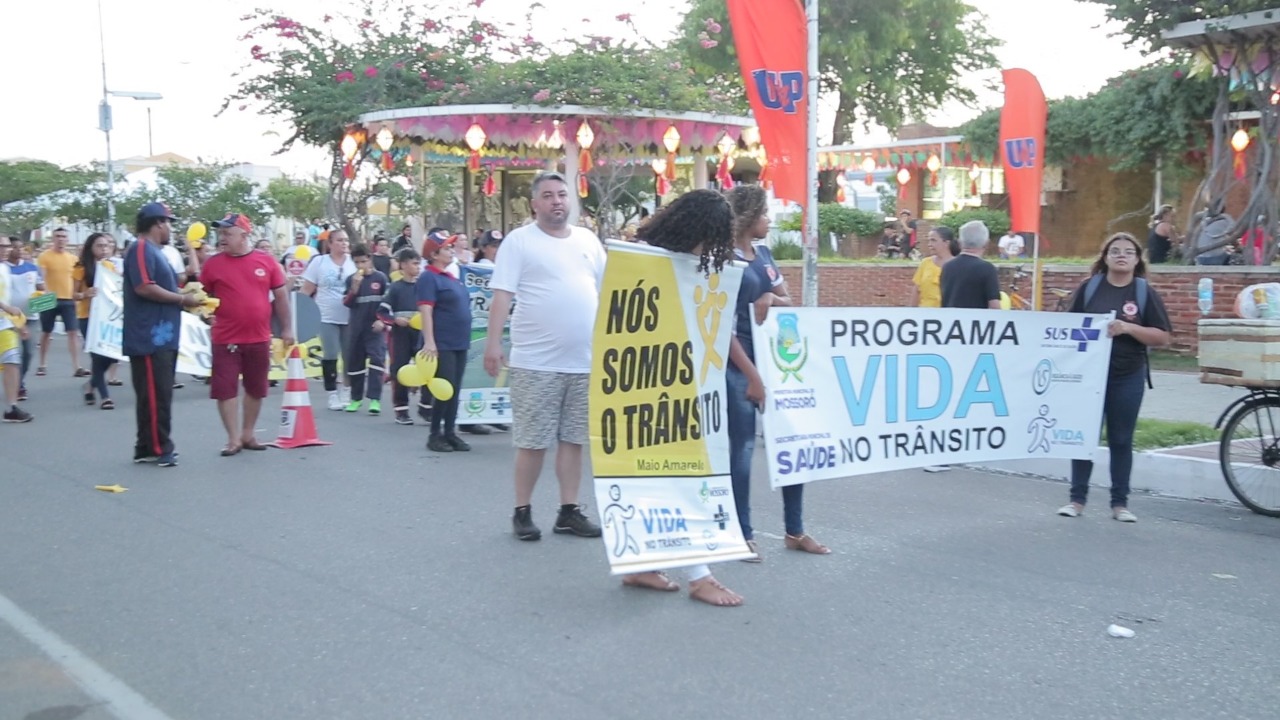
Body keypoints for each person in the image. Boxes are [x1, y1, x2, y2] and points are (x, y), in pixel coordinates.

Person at [629, 188, 748, 607]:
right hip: (650, 384)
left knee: (655, 474)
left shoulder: (692, 266)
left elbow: (715, 328)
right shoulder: (640, 262)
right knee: (679, 475)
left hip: (670, 383)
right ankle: (700, 575)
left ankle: (639, 563)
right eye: (712, 236)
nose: (714, 247)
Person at [485, 171, 604, 541]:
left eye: (563, 195)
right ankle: (522, 511)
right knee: (533, 440)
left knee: (573, 440)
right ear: (535, 203)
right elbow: (502, 295)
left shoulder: (587, 240)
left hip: (582, 361)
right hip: (536, 362)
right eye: (549, 196)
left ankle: (569, 511)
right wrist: (493, 345)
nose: (557, 202)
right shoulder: (520, 242)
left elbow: (606, 289)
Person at [725, 184, 830, 562]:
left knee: (793, 443)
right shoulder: (723, 259)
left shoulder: (764, 255)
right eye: (765, 213)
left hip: (776, 366)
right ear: (748, 216)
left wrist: (770, 297)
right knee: (742, 452)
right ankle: (742, 533)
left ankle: (795, 529)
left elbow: (788, 300)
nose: (769, 220)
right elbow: (722, 326)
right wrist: (752, 376)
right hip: (738, 367)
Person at [1059, 233, 1171, 522]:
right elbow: (1068, 327)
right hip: (1089, 377)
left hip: (1127, 376)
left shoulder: (1144, 292)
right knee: (1084, 437)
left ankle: (1120, 503)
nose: (1121, 255)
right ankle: (1077, 500)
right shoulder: (1090, 288)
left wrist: (1128, 328)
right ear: (1105, 257)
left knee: (1121, 439)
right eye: (1115, 251)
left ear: (1136, 259)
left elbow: (1162, 337)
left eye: (1128, 252)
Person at [199, 213, 292, 455]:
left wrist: (287, 329)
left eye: (228, 233)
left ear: (244, 235)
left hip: (259, 337)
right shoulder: (212, 264)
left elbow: (281, 298)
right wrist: (204, 312)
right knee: (226, 389)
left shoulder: (267, 261)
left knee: (256, 388)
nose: (222, 238)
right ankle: (233, 438)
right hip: (225, 338)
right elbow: (202, 297)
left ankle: (248, 433)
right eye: (221, 234)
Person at [123, 203, 204, 466]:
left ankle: (146, 445)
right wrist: (182, 300)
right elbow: (144, 287)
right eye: (168, 222)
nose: (170, 227)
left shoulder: (155, 252)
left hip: (160, 335)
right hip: (149, 336)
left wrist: (184, 292)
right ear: (158, 223)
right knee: (156, 394)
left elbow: (165, 285)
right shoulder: (141, 248)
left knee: (155, 394)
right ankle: (160, 447)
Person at [417, 235, 472, 451]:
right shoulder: (429, 278)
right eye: (446, 248)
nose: (451, 251)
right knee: (443, 389)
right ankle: (435, 434)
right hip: (443, 342)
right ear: (434, 255)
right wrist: (430, 341)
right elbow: (426, 310)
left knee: (455, 389)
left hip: (459, 341)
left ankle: (450, 431)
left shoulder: (451, 277)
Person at [301, 228, 357, 410]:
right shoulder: (319, 262)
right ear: (330, 243)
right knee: (331, 354)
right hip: (326, 315)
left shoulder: (354, 263)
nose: (344, 244)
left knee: (350, 356)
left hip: (350, 316)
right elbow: (307, 289)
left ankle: (347, 390)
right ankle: (332, 393)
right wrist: (300, 311)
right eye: (340, 240)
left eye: (346, 240)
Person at [72, 233, 119, 409]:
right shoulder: (81, 267)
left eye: (106, 245)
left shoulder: (110, 266)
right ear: (91, 248)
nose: (104, 249)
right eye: (99, 245)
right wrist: (85, 294)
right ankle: (105, 397)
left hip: (106, 317)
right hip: (87, 317)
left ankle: (90, 385)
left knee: (110, 356)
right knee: (97, 356)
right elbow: (73, 294)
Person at [342, 243, 389, 415]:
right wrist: (354, 289)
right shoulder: (350, 279)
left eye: (363, 261)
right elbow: (346, 303)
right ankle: (355, 399)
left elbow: (387, 303)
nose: (360, 266)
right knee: (355, 363)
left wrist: (382, 321)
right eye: (357, 263)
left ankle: (375, 399)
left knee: (377, 360)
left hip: (375, 328)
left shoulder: (380, 278)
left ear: (370, 259)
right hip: (356, 328)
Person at [379, 248, 423, 426]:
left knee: (427, 367)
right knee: (400, 370)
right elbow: (381, 312)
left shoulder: (424, 287)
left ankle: (426, 406)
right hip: (401, 335)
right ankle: (401, 410)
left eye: (419, 263)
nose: (417, 267)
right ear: (403, 265)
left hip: (421, 335)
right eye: (414, 263)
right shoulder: (395, 288)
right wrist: (395, 320)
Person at [35, 227, 84, 377]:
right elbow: (40, 278)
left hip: (68, 299)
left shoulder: (73, 259)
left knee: (73, 333)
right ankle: (42, 364)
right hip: (49, 298)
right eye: (58, 236)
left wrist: (78, 296)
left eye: (63, 236)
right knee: (46, 332)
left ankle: (77, 366)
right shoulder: (44, 256)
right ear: (53, 238)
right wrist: (45, 290)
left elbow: (78, 280)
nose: (61, 239)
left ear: (67, 240)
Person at [5, 236, 43, 402]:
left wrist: (44, 296)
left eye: (21, 247)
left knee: (28, 353)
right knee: (16, 352)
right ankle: (17, 387)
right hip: (9, 318)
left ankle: (19, 381)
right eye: (14, 247)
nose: (18, 250)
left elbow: (41, 287)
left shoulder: (32, 268)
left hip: (31, 316)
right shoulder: (3, 268)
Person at [0, 235, 33, 422]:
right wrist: (5, 307)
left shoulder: (5, 268)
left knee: (12, 361)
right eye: (1, 246)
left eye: (6, 246)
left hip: (4, 324)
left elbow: (10, 298)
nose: (4, 249)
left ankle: (12, 408)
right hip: (5, 315)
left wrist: (20, 323)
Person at [940, 220, 1001, 310]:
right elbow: (994, 305)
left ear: (959, 242)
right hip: (978, 322)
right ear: (986, 243)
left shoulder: (947, 267)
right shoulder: (987, 269)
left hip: (952, 321)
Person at [910, 226, 959, 308]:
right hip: (924, 314)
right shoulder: (925, 263)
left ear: (946, 243)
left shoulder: (957, 265)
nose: (929, 244)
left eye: (933, 240)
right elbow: (916, 291)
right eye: (929, 241)